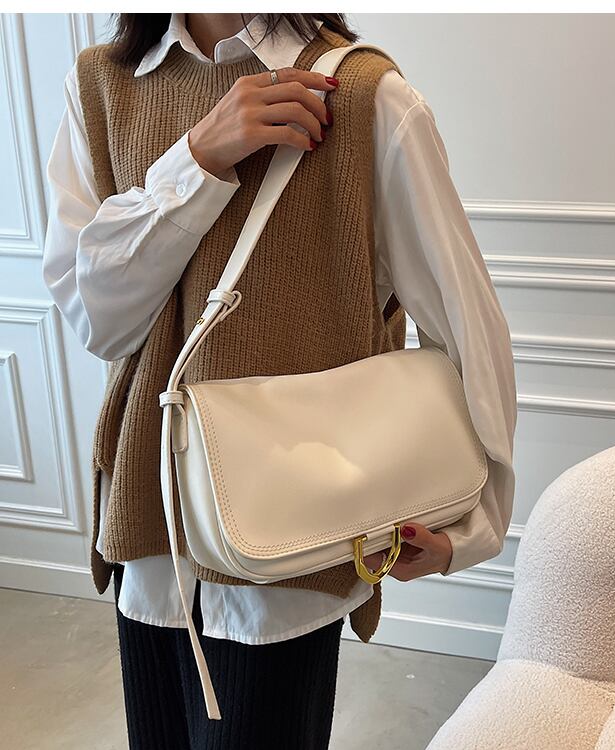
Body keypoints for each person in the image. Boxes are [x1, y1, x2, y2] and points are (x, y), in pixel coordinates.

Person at [42, 12, 517, 750]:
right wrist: (198, 157)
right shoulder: (103, 84)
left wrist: (473, 524)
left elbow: (466, 324)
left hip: (293, 540)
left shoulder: (366, 97)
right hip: (150, 529)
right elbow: (98, 319)